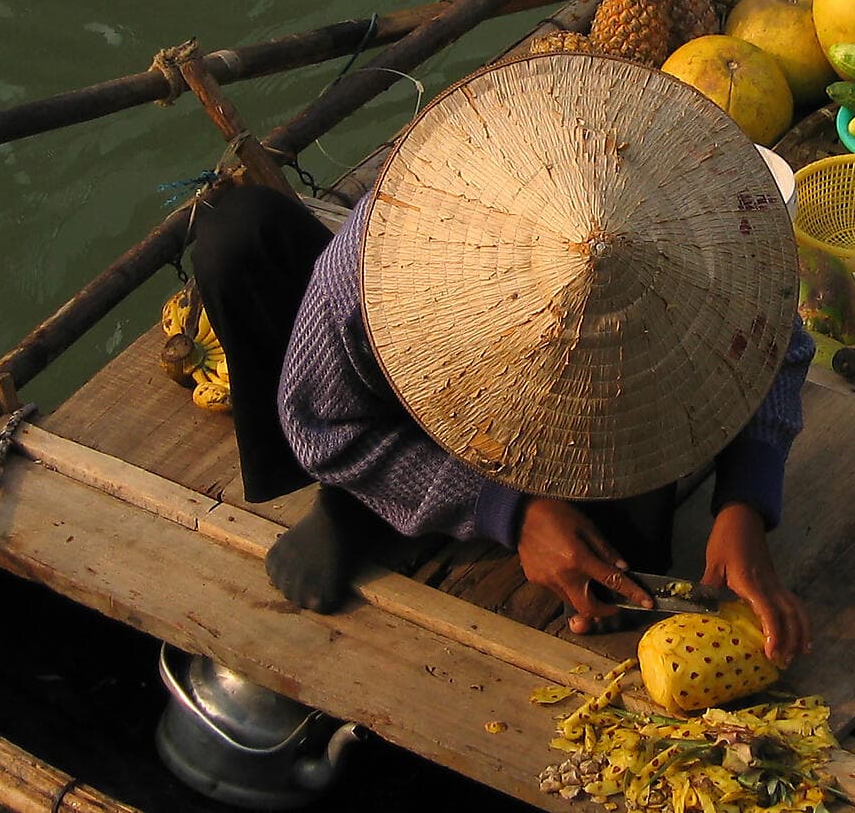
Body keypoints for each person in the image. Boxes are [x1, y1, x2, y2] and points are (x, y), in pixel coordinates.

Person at [190, 55, 813, 668]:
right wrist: (511, 513)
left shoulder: (705, 233)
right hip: (398, 390)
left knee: (621, 572)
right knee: (238, 233)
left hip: (603, 407)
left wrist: (745, 502)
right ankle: (366, 501)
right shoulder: (375, 265)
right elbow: (321, 428)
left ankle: (436, 499)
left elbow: (779, 345)